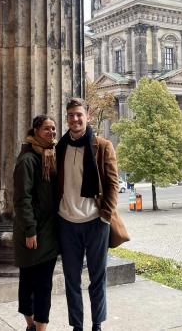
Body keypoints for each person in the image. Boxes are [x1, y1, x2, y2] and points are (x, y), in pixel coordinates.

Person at [57, 98, 119, 331]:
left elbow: (112, 184)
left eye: (79, 115)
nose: (75, 119)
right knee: (71, 280)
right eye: (71, 115)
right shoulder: (60, 147)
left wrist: (105, 216)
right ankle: (77, 326)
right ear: (67, 118)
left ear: (88, 116)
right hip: (67, 222)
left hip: (95, 222)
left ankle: (97, 324)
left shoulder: (102, 146)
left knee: (97, 278)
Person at [13, 115, 58, 331]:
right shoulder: (28, 160)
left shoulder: (50, 155)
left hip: (49, 232)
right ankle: (31, 325)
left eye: (54, 129)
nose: (52, 132)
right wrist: (30, 230)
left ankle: (37, 328)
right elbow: (22, 198)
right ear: (36, 131)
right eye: (47, 129)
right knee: (29, 281)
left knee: (43, 283)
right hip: (32, 231)